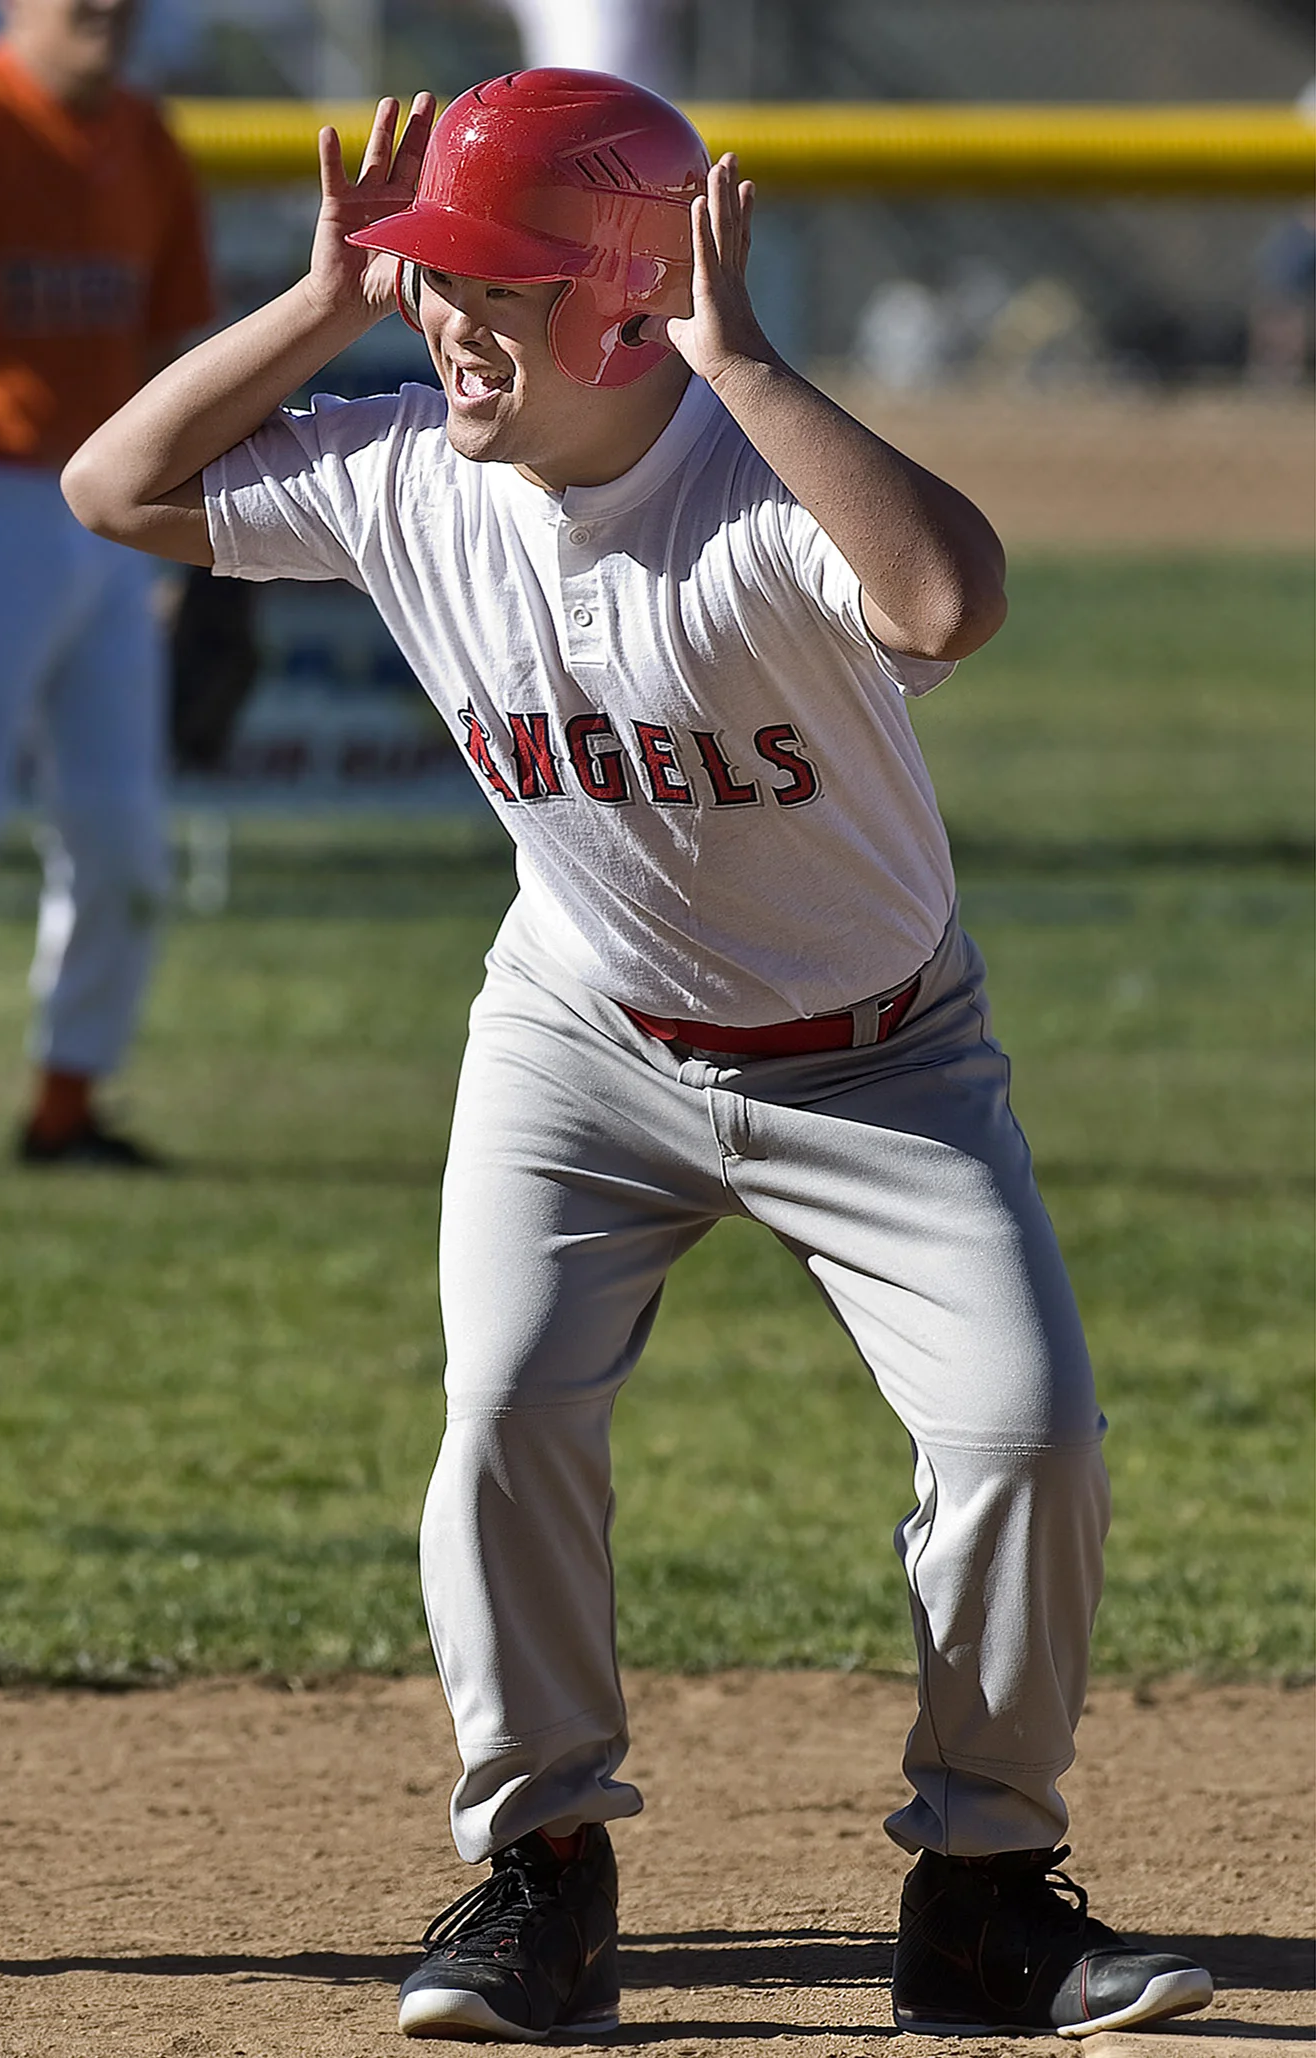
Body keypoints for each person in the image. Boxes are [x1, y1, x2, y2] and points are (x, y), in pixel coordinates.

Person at [62, 69, 1215, 2042]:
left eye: (484, 287)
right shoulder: (408, 465)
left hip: (881, 1065)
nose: (444, 325)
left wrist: (737, 352)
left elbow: (951, 595)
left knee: (1023, 1439)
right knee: (504, 1413)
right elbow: (116, 487)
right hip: (579, 1044)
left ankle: (984, 1899)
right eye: (432, 283)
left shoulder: (753, 499)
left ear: (619, 303)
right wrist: (328, 296)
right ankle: (542, 1879)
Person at [0, 0, 213, 1165]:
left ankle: (65, 1110)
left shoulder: (146, 138)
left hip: (107, 513)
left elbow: (175, 344)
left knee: (120, 834)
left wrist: (181, 533)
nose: (107, 9)